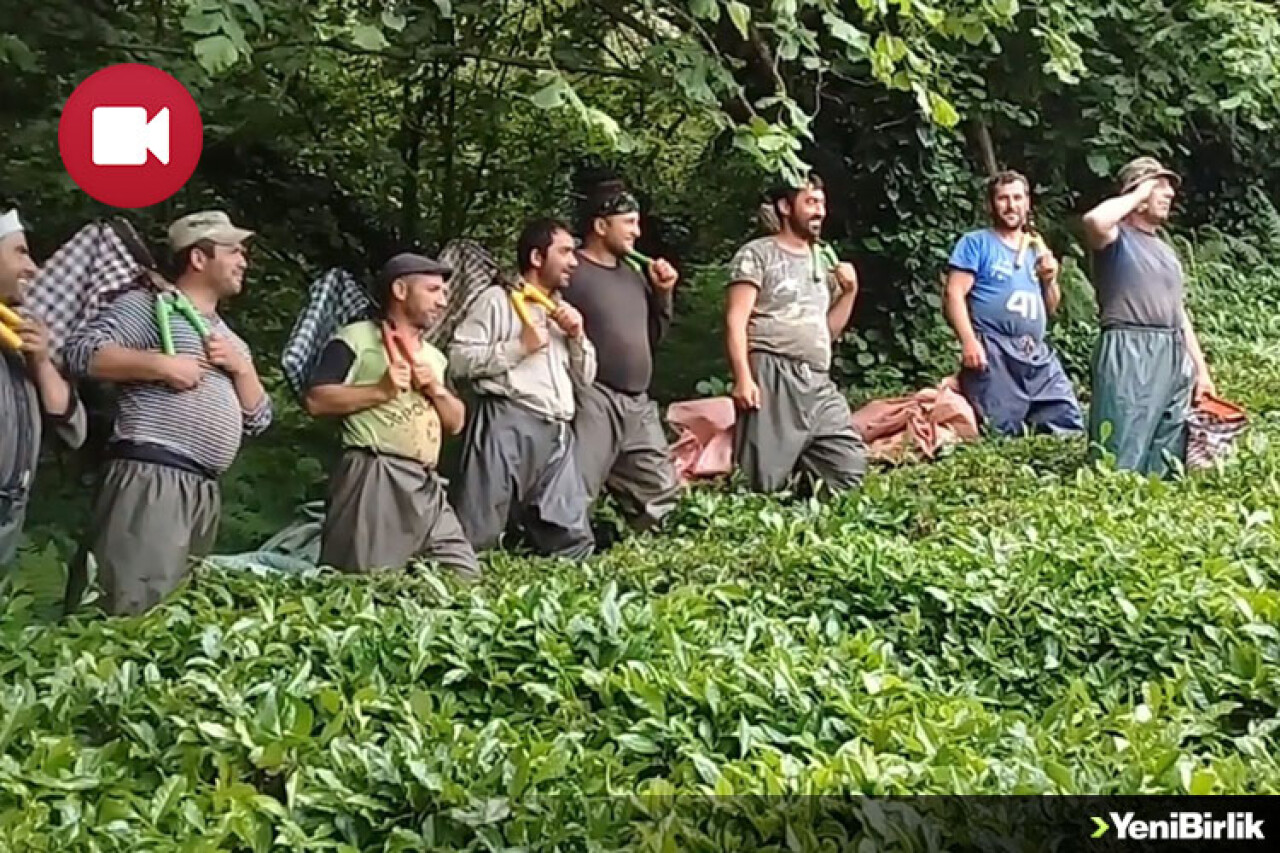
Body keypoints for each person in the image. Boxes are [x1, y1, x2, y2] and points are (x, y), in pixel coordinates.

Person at [63, 211, 271, 615]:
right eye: (233, 251)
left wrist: (242, 368)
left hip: (203, 490)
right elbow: (81, 352)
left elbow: (260, 419)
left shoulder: (230, 340)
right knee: (124, 602)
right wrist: (161, 365)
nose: (243, 261)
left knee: (170, 614)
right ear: (198, 258)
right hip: (152, 475)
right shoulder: (145, 306)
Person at [305, 253, 479, 580]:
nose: (442, 301)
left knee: (463, 576)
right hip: (375, 470)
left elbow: (456, 422)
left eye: (443, 292)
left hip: (427, 482)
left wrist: (436, 390)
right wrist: (379, 391)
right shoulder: (355, 338)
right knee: (363, 580)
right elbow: (316, 400)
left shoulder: (434, 357)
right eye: (432, 290)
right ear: (400, 290)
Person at [448, 218, 597, 558]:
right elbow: (457, 360)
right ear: (536, 257)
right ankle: (464, 601)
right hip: (505, 420)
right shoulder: (495, 301)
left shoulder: (564, 311)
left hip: (558, 429)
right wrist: (518, 347)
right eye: (565, 252)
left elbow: (586, 378)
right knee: (480, 528)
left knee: (572, 538)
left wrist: (577, 337)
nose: (574, 262)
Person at [724, 173, 868, 494]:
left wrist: (849, 293)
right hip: (772, 368)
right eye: (811, 202)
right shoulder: (758, 254)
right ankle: (760, 522)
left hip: (817, 376)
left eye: (822, 203)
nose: (819, 211)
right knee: (761, 478)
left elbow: (826, 331)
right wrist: (743, 377)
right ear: (785, 207)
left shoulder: (823, 261)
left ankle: (802, 501)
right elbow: (736, 320)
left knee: (848, 467)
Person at [1081, 156, 1215, 477]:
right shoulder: (1115, 239)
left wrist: (1201, 370)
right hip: (1129, 346)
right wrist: (1138, 194)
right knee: (1120, 449)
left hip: (1171, 351)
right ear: (1138, 195)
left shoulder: (1165, 251)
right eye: (1160, 187)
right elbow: (1094, 221)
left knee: (1167, 452)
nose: (1169, 194)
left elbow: (1179, 313)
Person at [563, 184, 681, 534]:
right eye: (628, 222)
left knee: (661, 492)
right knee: (577, 488)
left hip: (638, 402)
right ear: (601, 226)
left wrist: (663, 293)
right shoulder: (573, 272)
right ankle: (562, 560)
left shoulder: (633, 274)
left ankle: (661, 561)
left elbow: (654, 335)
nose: (637, 232)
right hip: (593, 396)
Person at [943, 170, 1084, 437]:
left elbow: (1051, 307)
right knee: (1001, 429)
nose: (1011, 205)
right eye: (1003, 199)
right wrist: (969, 341)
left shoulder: (1036, 248)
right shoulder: (976, 243)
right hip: (994, 346)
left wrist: (1051, 279)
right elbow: (954, 293)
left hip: (1035, 351)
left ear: (1027, 203)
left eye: (1017, 198)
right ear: (991, 204)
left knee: (1067, 419)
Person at [0, 207, 87, 567]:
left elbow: (74, 429)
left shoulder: (20, 342)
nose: (33, 268)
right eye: (19, 252)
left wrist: (40, 361)